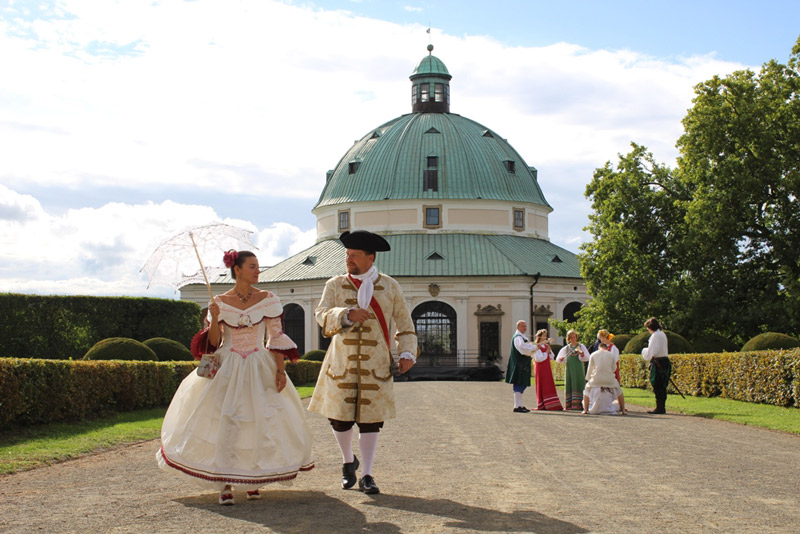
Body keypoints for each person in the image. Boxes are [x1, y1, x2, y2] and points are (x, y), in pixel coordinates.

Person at [157, 250, 314, 505]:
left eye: (258, 266)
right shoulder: (219, 300)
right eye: (252, 266)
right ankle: (225, 483)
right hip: (227, 366)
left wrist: (280, 370)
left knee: (258, 421)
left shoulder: (268, 299)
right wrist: (215, 317)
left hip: (259, 365)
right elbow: (215, 343)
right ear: (237, 269)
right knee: (226, 421)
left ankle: (254, 478)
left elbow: (275, 338)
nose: (258, 271)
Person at [308, 230, 418, 495]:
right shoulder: (334, 284)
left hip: (375, 364)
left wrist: (407, 353)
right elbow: (321, 315)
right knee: (339, 420)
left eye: (354, 256)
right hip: (341, 362)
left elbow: (404, 323)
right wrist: (345, 314)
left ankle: (367, 474)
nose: (349, 260)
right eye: (347, 255)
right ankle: (348, 462)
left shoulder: (390, 286)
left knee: (371, 420)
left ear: (370, 257)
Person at [582, 341, 627, 415]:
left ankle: (585, 410)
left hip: (596, 379)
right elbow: (614, 368)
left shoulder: (593, 354)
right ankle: (623, 410)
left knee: (586, 390)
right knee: (619, 391)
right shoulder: (611, 355)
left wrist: (588, 378)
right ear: (606, 348)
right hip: (609, 380)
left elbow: (590, 369)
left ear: (599, 348)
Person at [505, 320, 537, 413]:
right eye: (523, 326)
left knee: (521, 384)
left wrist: (534, 346)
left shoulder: (522, 337)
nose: (525, 328)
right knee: (519, 384)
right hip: (519, 364)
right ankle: (517, 406)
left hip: (522, 364)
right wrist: (534, 347)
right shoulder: (518, 337)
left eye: (526, 326)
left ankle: (519, 405)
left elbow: (526, 346)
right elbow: (523, 349)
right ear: (518, 327)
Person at [641, 317, 670, 414]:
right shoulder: (662, 334)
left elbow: (652, 351)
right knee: (661, 385)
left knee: (657, 384)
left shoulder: (655, 336)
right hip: (664, 360)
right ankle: (661, 406)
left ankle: (660, 407)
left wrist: (645, 352)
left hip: (659, 361)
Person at [555, 330, 590, 410]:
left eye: (574, 337)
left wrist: (582, 355)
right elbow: (558, 359)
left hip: (579, 369)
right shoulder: (566, 348)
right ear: (568, 338)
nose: (573, 339)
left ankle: (582, 405)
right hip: (570, 369)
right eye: (571, 337)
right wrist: (561, 359)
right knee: (570, 384)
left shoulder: (581, 346)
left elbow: (587, 358)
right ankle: (570, 405)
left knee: (580, 383)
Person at [532, 329, 563, 411]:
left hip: (546, 367)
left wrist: (548, 352)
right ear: (540, 337)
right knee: (541, 384)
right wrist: (546, 352)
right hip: (540, 368)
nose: (545, 337)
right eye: (544, 335)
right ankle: (542, 404)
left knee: (548, 383)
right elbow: (538, 358)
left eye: (546, 335)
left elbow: (552, 357)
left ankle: (551, 404)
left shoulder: (546, 346)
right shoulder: (537, 346)